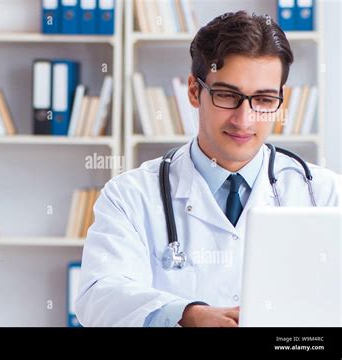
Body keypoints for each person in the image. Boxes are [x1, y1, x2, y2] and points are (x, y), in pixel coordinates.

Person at [75, 11, 341, 327]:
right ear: (193, 90)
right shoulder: (130, 196)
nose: (245, 120)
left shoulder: (325, 194)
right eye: (227, 96)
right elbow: (99, 295)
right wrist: (186, 314)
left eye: (264, 100)